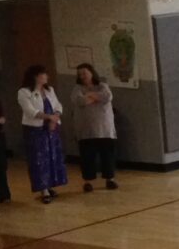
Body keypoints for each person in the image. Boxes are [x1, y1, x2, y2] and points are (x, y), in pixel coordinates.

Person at [16, 65, 65, 203]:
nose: (46, 77)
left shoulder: (49, 90)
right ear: (36, 76)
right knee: (38, 159)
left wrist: (55, 117)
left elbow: (58, 105)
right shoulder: (24, 92)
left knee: (51, 157)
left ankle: (50, 185)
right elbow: (30, 111)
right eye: (43, 74)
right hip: (35, 130)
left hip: (51, 128)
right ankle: (43, 189)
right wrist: (49, 117)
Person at [67, 63, 116, 191]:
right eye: (80, 74)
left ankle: (110, 179)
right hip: (85, 129)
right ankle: (88, 181)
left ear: (91, 72)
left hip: (104, 128)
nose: (82, 76)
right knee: (87, 157)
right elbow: (80, 101)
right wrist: (95, 97)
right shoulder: (77, 88)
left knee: (107, 155)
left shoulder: (102, 86)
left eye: (84, 73)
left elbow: (107, 97)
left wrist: (89, 95)